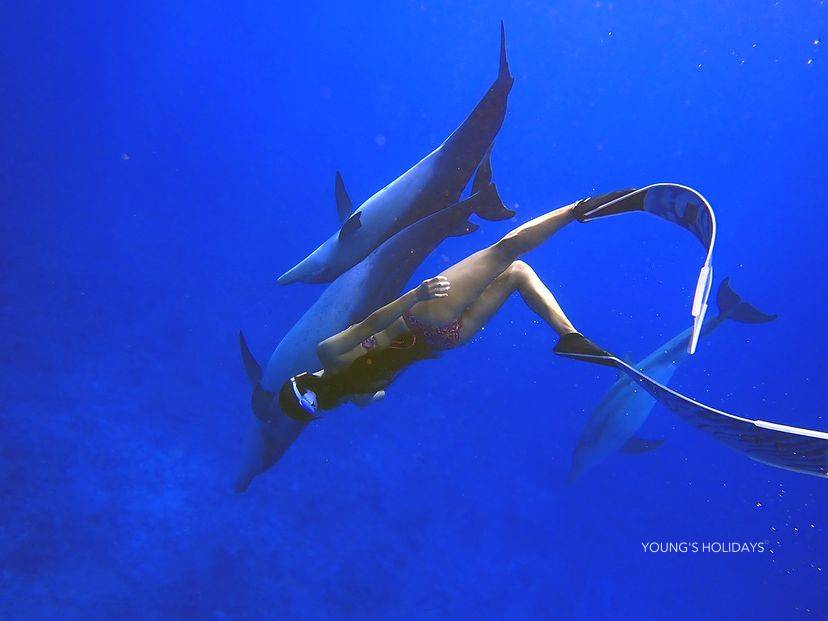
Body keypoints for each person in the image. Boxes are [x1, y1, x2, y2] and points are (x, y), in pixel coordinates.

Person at [268, 190, 632, 422]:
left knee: (518, 273)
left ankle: (570, 337)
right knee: (505, 251)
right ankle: (579, 209)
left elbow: (380, 383)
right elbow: (373, 324)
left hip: (448, 338)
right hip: (425, 314)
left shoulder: (360, 398)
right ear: (299, 378)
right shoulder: (327, 353)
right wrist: (417, 294)